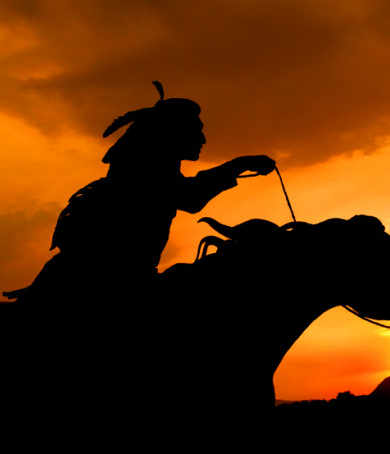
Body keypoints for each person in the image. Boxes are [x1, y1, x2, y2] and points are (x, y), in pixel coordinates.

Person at [21, 81, 276, 310]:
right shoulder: (142, 173)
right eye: (195, 130)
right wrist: (239, 164)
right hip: (107, 287)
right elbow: (189, 197)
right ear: (172, 134)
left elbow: (186, 194)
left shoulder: (148, 171)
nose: (203, 139)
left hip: (121, 281)